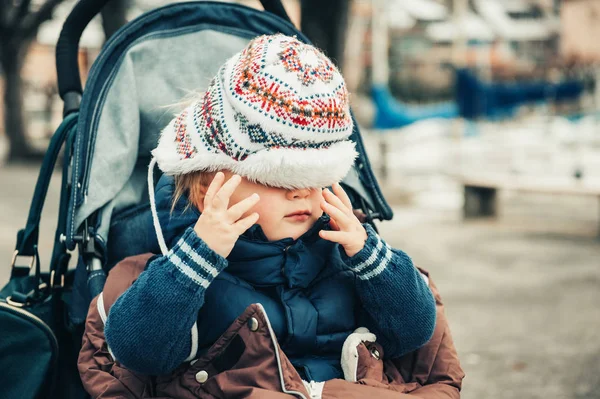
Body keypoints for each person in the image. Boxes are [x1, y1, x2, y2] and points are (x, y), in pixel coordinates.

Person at [78, 34, 464, 398]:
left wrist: (369, 255)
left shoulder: (345, 259)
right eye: (278, 180)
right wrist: (194, 259)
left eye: (315, 181)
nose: (300, 192)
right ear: (207, 187)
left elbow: (414, 336)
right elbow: (138, 353)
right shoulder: (178, 273)